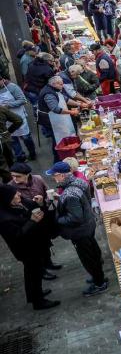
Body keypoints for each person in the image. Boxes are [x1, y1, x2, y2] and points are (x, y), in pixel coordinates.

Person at [47, 161, 108, 296]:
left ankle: (99, 283)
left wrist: (58, 219)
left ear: (61, 176)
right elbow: (84, 201)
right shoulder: (81, 182)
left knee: (88, 258)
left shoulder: (69, 194)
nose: (53, 178)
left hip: (80, 231)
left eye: (54, 176)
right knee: (94, 252)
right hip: (89, 224)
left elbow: (75, 218)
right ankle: (99, 277)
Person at [0, 184, 58, 310]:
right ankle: (38, 302)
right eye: (15, 194)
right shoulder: (4, 219)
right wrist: (32, 221)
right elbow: (17, 236)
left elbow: (33, 206)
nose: (19, 194)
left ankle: (35, 294)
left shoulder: (19, 202)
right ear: (7, 198)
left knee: (34, 272)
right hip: (26, 250)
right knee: (33, 273)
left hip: (34, 244)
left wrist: (41, 203)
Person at [0, 78, 36, 162]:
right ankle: (20, 157)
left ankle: (32, 154)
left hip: (18, 116)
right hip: (6, 120)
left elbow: (23, 100)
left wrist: (8, 105)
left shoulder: (12, 87)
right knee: (12, 139)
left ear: (2, 80)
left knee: (26, 137)